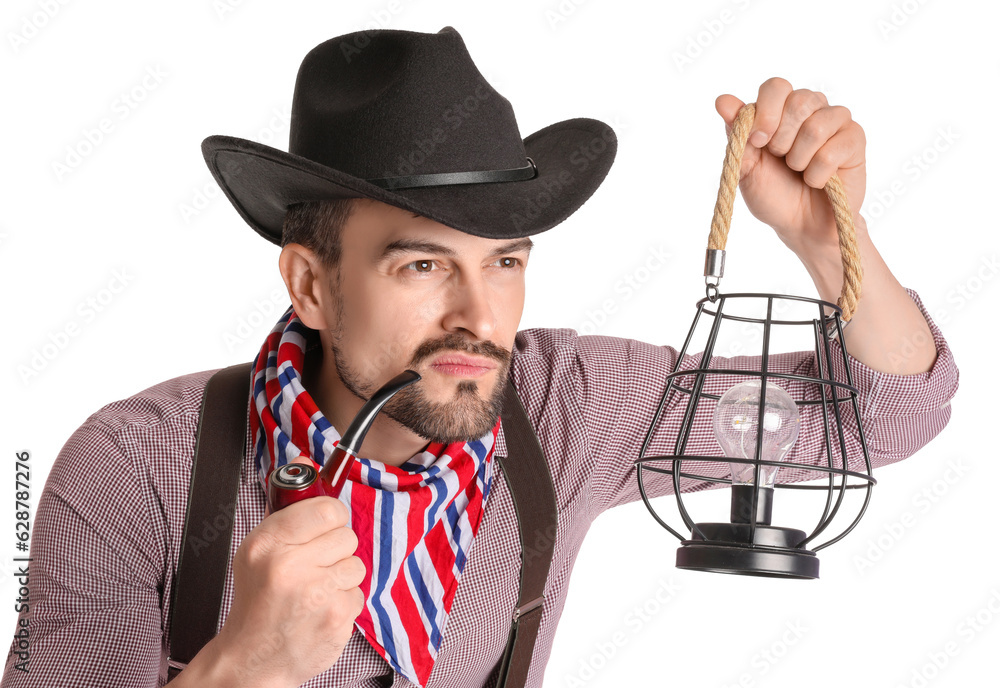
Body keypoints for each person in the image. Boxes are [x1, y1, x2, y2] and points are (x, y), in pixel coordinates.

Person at [2, 25, 958, 688]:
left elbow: (885, 416)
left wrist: (830, 240)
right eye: (423, 263)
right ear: (311, 284)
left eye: (504, 262)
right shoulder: (136, 469)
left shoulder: (565, 408)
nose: (478, 317)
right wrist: (242, 667)